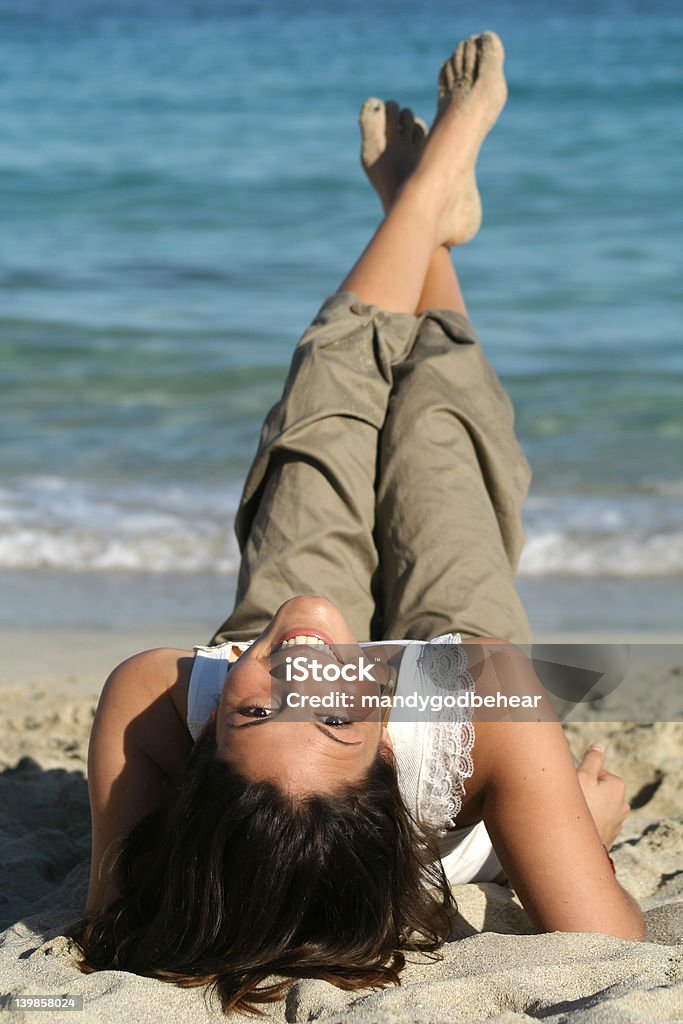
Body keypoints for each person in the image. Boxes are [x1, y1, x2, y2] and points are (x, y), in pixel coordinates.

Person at [72, 32, 644, 1017]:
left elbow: (110, 915)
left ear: (203, 755)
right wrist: (567, 826)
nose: (303, 664)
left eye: (253, 707)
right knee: (436, 431)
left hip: (286, 792)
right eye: (333, 710)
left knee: (325, 410)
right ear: (389, 754)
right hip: (465, 709)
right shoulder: (474, 706)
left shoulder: (153, 698)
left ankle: (416, 203)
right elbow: (612, 941)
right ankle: (429, 193)